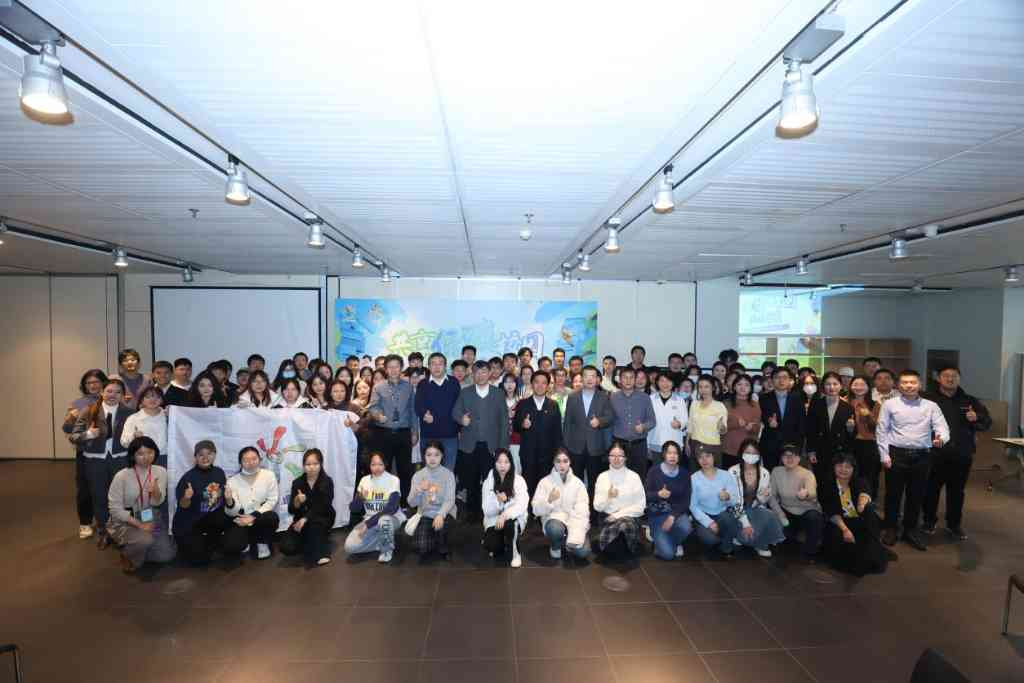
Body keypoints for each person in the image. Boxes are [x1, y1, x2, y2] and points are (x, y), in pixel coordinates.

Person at [877, 369, 949, 551]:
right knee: (893, 494)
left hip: (922, 456)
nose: (909, 385)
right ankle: (891, 528)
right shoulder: (889, 404)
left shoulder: (931, 406)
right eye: (905, 382)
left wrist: (941, 438)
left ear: (920, 384)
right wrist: (884, 455)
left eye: (913, 382)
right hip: (896, 454)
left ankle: (910, 529)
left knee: (916, 495)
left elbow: (942, 426)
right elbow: (882, 430)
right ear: (898, 385)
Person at [922, 365, 991, 541]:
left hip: (961, 453)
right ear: (939, 378)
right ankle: (929, 521)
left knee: (957, 491)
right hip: (934, 453)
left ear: (959, 379)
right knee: (930, 489)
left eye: (954, 376)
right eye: (946, 375)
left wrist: (977, 418)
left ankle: (954, 524)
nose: (950, 379)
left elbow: (987, 422)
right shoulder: (928, 399)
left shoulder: (969, 400)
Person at [71, 378, 132, 549]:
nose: (113, 395)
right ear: (102, 392)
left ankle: (120, 531)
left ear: (123, 395)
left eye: (118, 392)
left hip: (120, 459)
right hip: (95, 460)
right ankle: (104, 532)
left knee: (120, 497)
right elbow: (74, 436)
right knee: (99, 497)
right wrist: (88, 434)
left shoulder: (129, 413)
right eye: (109, 391)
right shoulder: (89, 410)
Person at [106, 436, 176, 573]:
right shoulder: (122, 476)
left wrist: (156, 491)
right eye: (140, 453)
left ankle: (137, 547)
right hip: (125, 520)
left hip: (149, 516)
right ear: (133, 455)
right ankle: (128, 554)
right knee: (146, 540)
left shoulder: (161, 471)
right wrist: (140, 525)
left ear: (155, 452)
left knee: (167, 554)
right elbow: (114, 509)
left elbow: (158, 502)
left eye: (150, 452)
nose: (146, 457)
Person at [452, 361, 510, 521]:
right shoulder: (465, 392)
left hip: (492, 445)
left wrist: (503, 447)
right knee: (471, 480)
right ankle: (472, 512)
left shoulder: (498, 393)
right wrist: (461, 419)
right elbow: (455, 412)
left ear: (490, 373)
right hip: (470, 444)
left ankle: (491, 512)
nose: (480, 375)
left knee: (491, 480)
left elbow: (504, 421)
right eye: (477, 372)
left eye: (484, 371)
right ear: (472, 374)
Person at [821, 452, 891, 576]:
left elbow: (864, 493)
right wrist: (845, 530)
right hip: (839, 522)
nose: (843, 469)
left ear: (853, 469)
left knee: (869, 512)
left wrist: (861, 504)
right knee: (838, 540)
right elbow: (831, 511)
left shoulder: (860, 481)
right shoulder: (827, 485)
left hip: (858, 520)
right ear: (833, 467)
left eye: (848, 466)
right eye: (840, 466)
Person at [63, 368, 107, 539]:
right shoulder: (78, 403)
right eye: (88, 383)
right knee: (85, 488)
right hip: (86, 451)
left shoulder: (111, 397)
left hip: (109, 452)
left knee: (109, 487)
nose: (93, 385)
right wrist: (71, 419)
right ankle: (85, 523)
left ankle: (108, 521)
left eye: (96, 382)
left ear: (103, 383)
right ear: (84, 386)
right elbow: (68, 429)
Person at [368, 354, 418, 501]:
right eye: (390, 367)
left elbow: (413, 411)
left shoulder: (408, 387)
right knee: (384, 468)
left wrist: (414, 432)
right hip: (383, 433)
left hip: (403, 432)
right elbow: (373, 407)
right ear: (386, 369)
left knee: (405, 469)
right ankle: (383, 500)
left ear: (401, 368)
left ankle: (405, 502)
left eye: (396, 366)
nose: (394, 370)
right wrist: (378, 416)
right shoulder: (378, 387)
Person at [172, 440, 231, 565]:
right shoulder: (188, 478)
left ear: (214, 455)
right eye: (201, 455)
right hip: (190, 522)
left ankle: (212, 542)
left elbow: (220, 500)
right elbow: (182, 505)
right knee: (199, 560)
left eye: (209, 453)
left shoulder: (219, 472)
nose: (205, 458)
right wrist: (187, 497)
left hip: (210, 520)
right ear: (195, 457)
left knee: (224, 521)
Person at [563, 365, 614, 506]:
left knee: (594, 483)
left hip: (595, 447)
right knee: (575, 482)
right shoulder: (573, 397)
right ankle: (576, 509)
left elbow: (610, 417)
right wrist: (566, 446)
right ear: (582, 378)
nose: (590, 379)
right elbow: (567, 423)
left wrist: (600, 421)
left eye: (593, 376)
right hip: (575, 448)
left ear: (597, 379)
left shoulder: (604, 397)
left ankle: (593, 511)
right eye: (586, 376)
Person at [727, 440, 785, 558]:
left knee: (770, 516)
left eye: (754, 453)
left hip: (756, 508)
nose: (751, 456)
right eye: (748, 452)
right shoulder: (733, 471)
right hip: (736, 511)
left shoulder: (764, 473)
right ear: (741, 453)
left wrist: (764, 496)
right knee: (747, 536)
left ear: (759, 455)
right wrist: (745, 523)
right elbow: (733, 501)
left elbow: (762, 500)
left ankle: (760, 544)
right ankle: (745, 537)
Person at [279, 448, 336, 567]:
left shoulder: (327, 481)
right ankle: (313, 541)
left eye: (315, 464)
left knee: (315, 526)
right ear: (303, 466)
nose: (312, 467)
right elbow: (291, 510)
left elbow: (324, 506)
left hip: (322, 517)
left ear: (321, 464)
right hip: (301, 519)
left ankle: (322, 550)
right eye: (308, 464)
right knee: (287, 547)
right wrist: (296, 502)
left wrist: (305, 518)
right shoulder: (297, 483)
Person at [532, 448, 591, 562]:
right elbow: (535, 510)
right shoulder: (545, 482)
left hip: (573, 521)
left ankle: (567, 540)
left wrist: (576, 531)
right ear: (553, 462)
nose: (562, 465)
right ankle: (556, 546)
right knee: (555, 529)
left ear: (570, 462)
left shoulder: (578, 483)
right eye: (558, 461)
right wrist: (549, 500)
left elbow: (583, 509)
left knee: (583, 552)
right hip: (554, 520)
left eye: (565, 461)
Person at [690, 445, 748, 559]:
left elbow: (735, 500)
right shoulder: (694, 478)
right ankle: (716, 536)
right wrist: (709, 523)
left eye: (708, 456)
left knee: (731, 521)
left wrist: (727, 497)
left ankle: (726, 541)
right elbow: (693, 506)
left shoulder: (726, 475)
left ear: (714, 457)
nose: (704, 460)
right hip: (704, 514)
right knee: (710, 539)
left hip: (722, 513)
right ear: (697, 460)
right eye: (700, 457)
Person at [223, 446, 280, 560]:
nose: (251, 463)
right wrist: (229, 501)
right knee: (233, 545)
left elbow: (272, 500)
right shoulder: (232, 481)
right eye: (246, 460)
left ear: (260, 459)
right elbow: (231, 513)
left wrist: (253, 516)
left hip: (260, 518)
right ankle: (247, 541)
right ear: (240, 463)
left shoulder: (269, 475)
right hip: (241, 520)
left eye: (254, 459)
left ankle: (261, 542)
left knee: (272, 517)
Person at [514, 371, 563, 499]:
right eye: (536, 382)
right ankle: (529, 510)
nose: (540, 386)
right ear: (531, 384)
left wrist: (558, 454)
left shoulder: (553, 405)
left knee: (545, 487)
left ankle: (543, 510)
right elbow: (515, 427)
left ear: (547, 386)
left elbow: (557, 433)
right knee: (528, 487)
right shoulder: (523, 404)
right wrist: (522, 425)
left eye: (543, 383)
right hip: (527, 454)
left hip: (547, 456)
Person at [345, 452, 403, 563]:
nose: (377, 468)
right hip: (369, 519)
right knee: (349, 546)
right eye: (373, 464)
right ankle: (383, 540)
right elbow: (354, 509)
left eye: (380, 464)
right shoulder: (364, 480)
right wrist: (361, 498)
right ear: (369, 465)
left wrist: (368, 524)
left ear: (385, 464)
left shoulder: (393, 480)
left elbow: (391, 508)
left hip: (390, 518)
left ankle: (386, 550)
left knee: (384, 520)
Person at [593, 442, 646, 561]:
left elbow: (641, 506)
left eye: (620, 456)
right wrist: (609, 497)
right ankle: (617, 544)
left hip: (629, 518)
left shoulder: (634, 477)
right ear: (608, 457)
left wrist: (618, 515)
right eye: (613, 455)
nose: (616, 459)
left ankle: (613, 543)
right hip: (607, 518)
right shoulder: (602, 477)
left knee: (624, 526)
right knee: (618, 552)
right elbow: (597, 507)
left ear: (625, 458)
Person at [770, 444, 824, 562]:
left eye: (793, 455)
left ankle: (810, 552)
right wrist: (781, 515)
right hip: (786, 512)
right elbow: (772, 497)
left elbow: (813, 493)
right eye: (786, 455)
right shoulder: (776, 471)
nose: (789, 458)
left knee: (814, 517)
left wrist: (806, 494)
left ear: (799, 458)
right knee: (784, 544)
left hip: (806, 511)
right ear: (781, 458)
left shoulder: (807, 474)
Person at [406, 442, 457, 560]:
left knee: (442, 536)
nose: (432, 458)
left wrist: (441, 514)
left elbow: (450, 499)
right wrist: (419, 490)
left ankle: (442, 543)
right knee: (421, 548)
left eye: (436, 455)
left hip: (445, 513)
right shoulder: (418, 475)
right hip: (426, 513)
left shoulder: (448, 474)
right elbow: (411, 503)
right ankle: (434, 536)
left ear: (442, 456)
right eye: (429, 455)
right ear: (424, 456)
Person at [644, 441, 692, 560]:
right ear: (663, 455)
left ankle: (671, 541)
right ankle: (659, 538)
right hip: (657, 514)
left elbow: (686, 500)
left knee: (686, 527)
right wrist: (658, 494)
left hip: (676, 513)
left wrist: (672, 517)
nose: (672, 456)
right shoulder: (654, 471)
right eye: (669, 453)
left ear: (679, 456)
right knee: (668, 555)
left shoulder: (684, 474)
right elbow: (645, 496)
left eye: (675, 453)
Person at [482, 449, 529, 567]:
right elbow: (486, 510)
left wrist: (504, 515)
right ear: (494, 463)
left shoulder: (518, 480)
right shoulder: (489, 482)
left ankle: (515, 552)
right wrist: (497, 502)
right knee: (492, 546)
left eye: (506, 462)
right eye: (499, 462)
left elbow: (522, 505)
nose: (502, 466)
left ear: (511, 463)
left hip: (513, 519)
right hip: (494, 520)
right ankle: (505, 540)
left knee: (510, 524)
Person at [805, 372, 855, 483]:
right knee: (820, 481)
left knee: (837, 483)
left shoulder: (848, 407)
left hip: (840, 452)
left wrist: (851, 429)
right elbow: (810, 429)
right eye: (828, 384)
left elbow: (851, 435)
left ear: (841, 386)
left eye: (835, 384)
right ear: (823, 386)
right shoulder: (816, 404)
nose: (832, 387)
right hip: (820, 450)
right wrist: (811, 450)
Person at [414, 352, 461, 472]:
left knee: (448, 472)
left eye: (440, 364)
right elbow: (418, 406)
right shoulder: (423, 384)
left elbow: (459, 406)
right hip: (429, 435)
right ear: (429, 366)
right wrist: (424, 414)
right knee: (429, 473)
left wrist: (460, 428)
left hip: (450, 436)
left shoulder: (454, 382)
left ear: (445, 366)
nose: (436, 367)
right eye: (433, 364)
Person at [610, 367, 656, 477]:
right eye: (625, 377)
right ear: (620, 380)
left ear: (635, 380)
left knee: (639, 477)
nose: (628, 380)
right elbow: (609, 419)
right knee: (618, 476)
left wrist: (643, 427)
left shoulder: (645, 398)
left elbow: (652, 421)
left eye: (631, 377)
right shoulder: (613, 397)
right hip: (619, 444)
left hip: (639, 444)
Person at [758, 367, 804, 471]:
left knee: (790, 475)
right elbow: (761, 416)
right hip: (770, 444)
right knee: (771, 473)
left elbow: (801, 423)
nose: (781, 380)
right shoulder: (764, 398)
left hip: (791, 445)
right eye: (777, 377)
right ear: (772, 380)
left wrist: (798, 447)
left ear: (790, 380)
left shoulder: (797, 398)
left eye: (784, 377)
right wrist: (768, 421)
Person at [848, 375, 882, 499]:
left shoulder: (875, 404)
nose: (858, 387)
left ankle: (868, 503)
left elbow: (878, 428)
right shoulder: (844, 402)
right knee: (849, 475)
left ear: (868, 387)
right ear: (850, 386)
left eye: (862, 385)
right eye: (855, 384)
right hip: (849, 444)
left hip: (868, 444)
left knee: (869, 476)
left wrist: (868, 416)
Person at [687, 375, 728, 471]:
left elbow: (723, 430)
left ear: (713, 388)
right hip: (695, 444)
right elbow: (690, 424)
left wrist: (721, 427)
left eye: (706, 386)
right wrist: (687, 443)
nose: (703, 390)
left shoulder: (719, 406)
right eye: (700, 387)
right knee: (695, 474)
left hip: (712, 446)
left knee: (713, 476)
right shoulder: (694, 404)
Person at [648, 373, 688, 465]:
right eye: (662, 381)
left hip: (674, 442)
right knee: (657, 470)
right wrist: (647, 444)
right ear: (657, 383)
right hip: (655, 441)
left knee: (673, 470)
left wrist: (679, 424)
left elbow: (685, 420)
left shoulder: (680, 400)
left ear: (673, 383)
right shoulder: (650, 399)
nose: (665, 384)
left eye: (668, 381)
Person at [723, 374, 761, 470]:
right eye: (739, 384)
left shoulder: (755, 405)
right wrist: (735, 424)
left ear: (751, 388)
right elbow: (720, 427)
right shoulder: (726, 403)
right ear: (734, 387)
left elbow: (757, 428)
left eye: (746, 385)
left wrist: (751, 428)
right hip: (728, 449)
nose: (743, 387)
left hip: (748, 451)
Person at [121, 385, 168, 461]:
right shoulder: (133, 418)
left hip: (165, 457)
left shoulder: (169, 416)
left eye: (157, 397)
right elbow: (124, 442)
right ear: (142, 400)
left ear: (162, 400)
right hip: (141, 458)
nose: (152, 399)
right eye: (148, 397)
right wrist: (133, 437)